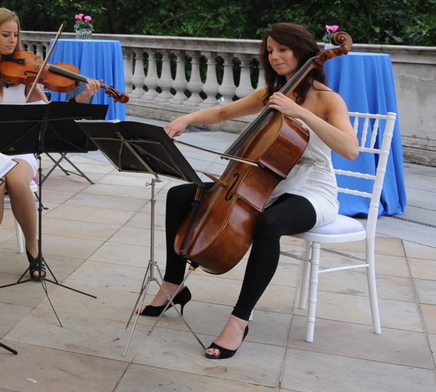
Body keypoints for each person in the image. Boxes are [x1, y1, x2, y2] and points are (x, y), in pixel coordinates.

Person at [145, 23, 358, 359]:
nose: (274, 57)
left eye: (282, 50)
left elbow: (350, 149)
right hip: (269, 182)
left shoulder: (328, 100)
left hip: (314, 189)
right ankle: (174, 283)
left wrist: (300, 113)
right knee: (181, 195)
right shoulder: (272, 93)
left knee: (269, 223)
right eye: (270, 51)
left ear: (302, 52)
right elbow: (223, 111)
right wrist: (186, 119)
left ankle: (240, 319)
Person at [0, 8, 99, 282]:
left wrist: (80, 99)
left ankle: (34, 250)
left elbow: (47, 110)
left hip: (18, 146)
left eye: (15, 35)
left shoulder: (25, 71)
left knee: (18, 181)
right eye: (5, 34)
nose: (12, 40)